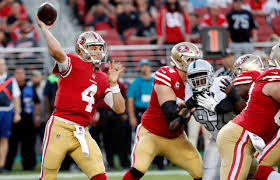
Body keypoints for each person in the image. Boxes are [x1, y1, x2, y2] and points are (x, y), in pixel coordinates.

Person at [35, 13, 125, 180]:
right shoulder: (72, 62)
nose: (98, 52)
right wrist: (44, 29)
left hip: (82, 131)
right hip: (60, 126)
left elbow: (119, 109)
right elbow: (55, 51)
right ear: (81, 49)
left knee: (99, 175)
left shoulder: (103, 78)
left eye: (99, 48)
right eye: (93, 48)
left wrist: (114, 85)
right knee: (48, 176)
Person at [122, 42, 203, 180]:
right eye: (191, 60)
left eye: (196, 60)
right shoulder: (166, 74)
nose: (195, 64)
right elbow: (170, 112)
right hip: (151, 134)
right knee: (138, 169)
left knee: (201, 172)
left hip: (176, 137)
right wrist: (189, 106)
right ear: (179, 60)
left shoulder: (194, 82)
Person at [216, 65, 280, 179]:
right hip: (239, 138)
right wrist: (233, 95)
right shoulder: (271, 77)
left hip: (249, 142)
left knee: (258, 171)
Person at [184, 59, 235, 180]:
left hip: (237, 139)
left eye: (201, 75)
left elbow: (237, 106)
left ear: (210, 74)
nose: (198, 80)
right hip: (216, 139)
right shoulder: (188, 91)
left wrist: (216, 107)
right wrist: (187, 107)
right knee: (208, 177)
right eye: (194, 76)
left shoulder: (221, 83)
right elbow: (180, 112)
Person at [5, 68, 40, 171]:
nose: (20, 75)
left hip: (28, 119)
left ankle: (29, 166)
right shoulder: (10, 86)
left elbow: (36, 103)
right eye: (17, 73)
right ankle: (7, 166)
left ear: (25, 75)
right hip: (14, 119)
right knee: (12, 144)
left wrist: (37, 117)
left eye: (21, 73)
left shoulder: (30, 86)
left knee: (29, 143)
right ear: (14, 75)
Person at [0, 58, 21, 172]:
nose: (1, 67)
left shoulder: (11, 80)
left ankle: (2, 165)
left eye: (3, 64)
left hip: (7, 111)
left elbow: (16, 97)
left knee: (4, 139)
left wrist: (17, 113)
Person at [127, 59, 153, 128]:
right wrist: (132, 117)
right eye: (143, 66)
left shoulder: (155, 81)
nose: (145, 68)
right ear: (140, 68)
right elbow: (130, 100)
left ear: (150, 68)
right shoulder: (136, 82)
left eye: (146, 66)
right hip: (140, 112)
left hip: (153, 111)